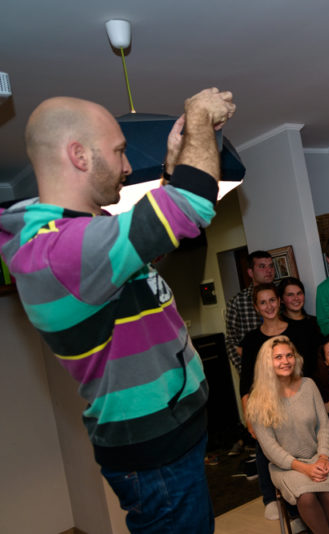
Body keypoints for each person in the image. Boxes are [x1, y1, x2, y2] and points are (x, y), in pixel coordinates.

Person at [0, 88, 236, 532]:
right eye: (119, 151)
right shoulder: (62, 252)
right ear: (79, 155)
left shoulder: (80, 234)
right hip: (156, 453)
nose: (127, 166)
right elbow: (193, 204)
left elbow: (147, 254)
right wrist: (199, 118)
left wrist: (173, 162)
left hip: (168, 437)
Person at [247, 336, 329, 534]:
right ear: (266, 363)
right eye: (278, 357)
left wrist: (323, 456)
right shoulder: (257, 401)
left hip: (321, 454)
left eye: (289, 355)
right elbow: (270, 449)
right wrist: (305, 468)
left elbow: (324, 426)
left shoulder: (308, 385)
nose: (285, 361)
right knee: (306, 497)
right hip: (287, 466)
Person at [240, 283, 307, 520]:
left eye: (272, 300)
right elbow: (246, 383)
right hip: (267, 404)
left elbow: (305, 373)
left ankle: (300, 499)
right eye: (263, 302)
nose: (268, 306)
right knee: (265, 444)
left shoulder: (297, 330)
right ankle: (270, 498)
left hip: (296, 400)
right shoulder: (251, 340)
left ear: (279, 301)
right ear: (256, 307)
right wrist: (249, 418)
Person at [225, 250, 275, 372]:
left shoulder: (281, 297)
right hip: (255, 369)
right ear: (250, 272)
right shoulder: (237, 302)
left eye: (271, 266)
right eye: (262, 266)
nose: (268, 270)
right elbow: (231, 342)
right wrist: (245, 370)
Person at [278, 277, 323, 379]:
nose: (296, 298)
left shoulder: (315, 322)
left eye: (299, 293)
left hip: (319, 379)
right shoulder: (279, 327)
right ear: (282, 300)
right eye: (290, 295)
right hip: (292, 381)